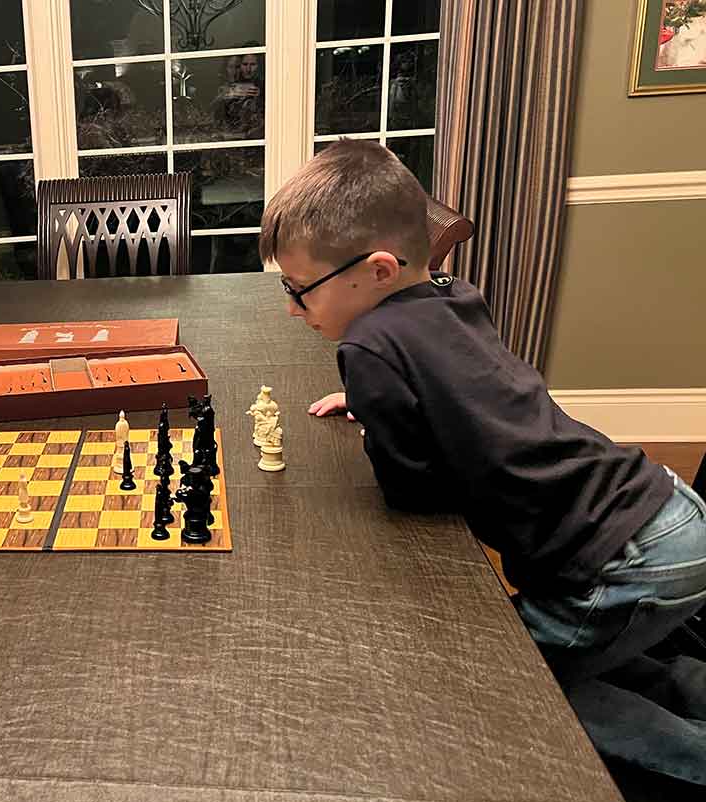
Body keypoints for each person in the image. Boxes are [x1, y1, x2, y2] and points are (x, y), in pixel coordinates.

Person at [260, 138, 706, 786]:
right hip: (661, 508)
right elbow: (460, 384)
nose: (293, 307)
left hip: (625, 558)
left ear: (379, 271)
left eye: (302, 290)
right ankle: (684, 682)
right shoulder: (448, 294)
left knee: (501, 685)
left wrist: (383, 413)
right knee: (575, 646)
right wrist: (382, 402)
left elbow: (411, 492)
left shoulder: (370, 348)